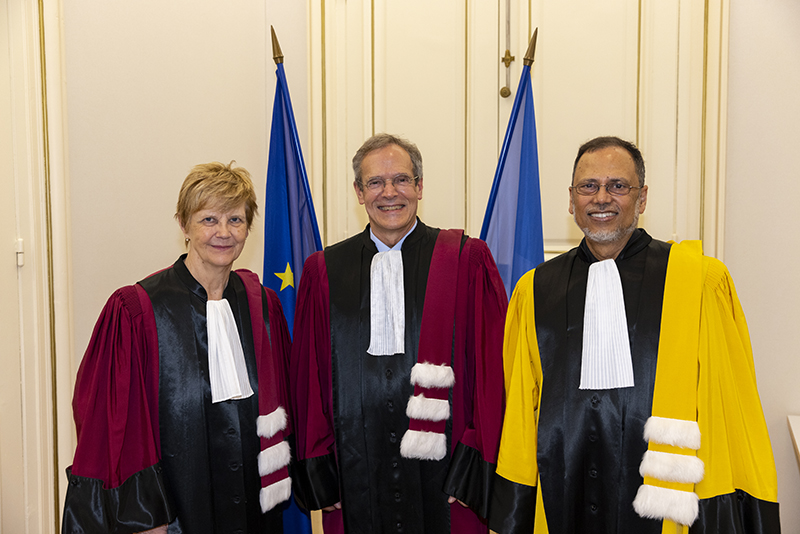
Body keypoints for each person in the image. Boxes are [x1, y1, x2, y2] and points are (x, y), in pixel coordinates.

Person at [489, 136, 781, 533]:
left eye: (618, 186)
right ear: (571, 199)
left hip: (666, 499)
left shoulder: (699, 283)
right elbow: (521, 412)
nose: (601, 198)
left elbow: (728, 408)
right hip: (561, 487)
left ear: (642, 199)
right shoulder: (535, 290)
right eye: (588, 186)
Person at [290, 133, 507, 533]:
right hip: (353, 474)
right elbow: (309, 381)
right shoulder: (324, 272)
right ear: (358, 192)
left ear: (420, 187)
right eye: (375, 182)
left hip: (448, 476)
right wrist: (321, 467)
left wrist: (474, 463)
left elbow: (495, 371)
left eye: (402, 180)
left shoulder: (465, 261)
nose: (389, 193)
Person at [62, 162, 293, 533]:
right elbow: (109, 421)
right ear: (184, 225)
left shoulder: (265, 307)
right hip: (173, 513)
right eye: (208, 220)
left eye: (235, 219)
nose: (223, 232)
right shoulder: (136, 310)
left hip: (256, 511)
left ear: (249, 227)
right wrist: (143, 515)